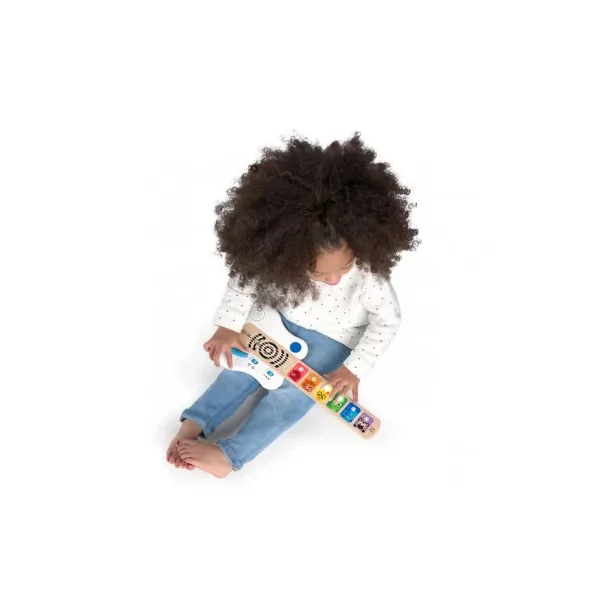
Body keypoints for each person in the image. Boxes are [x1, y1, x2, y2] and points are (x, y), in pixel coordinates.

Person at [166, 133, 419, 476]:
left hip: (334, 339)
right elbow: (246, 278)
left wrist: (353, 369)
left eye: (344, 266)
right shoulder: (277, 260)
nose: (334, 279)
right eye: (319, 272)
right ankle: (194, 423)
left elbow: (387, 321)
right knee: (238, 370)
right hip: (276, 320)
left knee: (292, 398)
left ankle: (229, 457)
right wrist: (227, 326)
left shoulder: (368, 276)